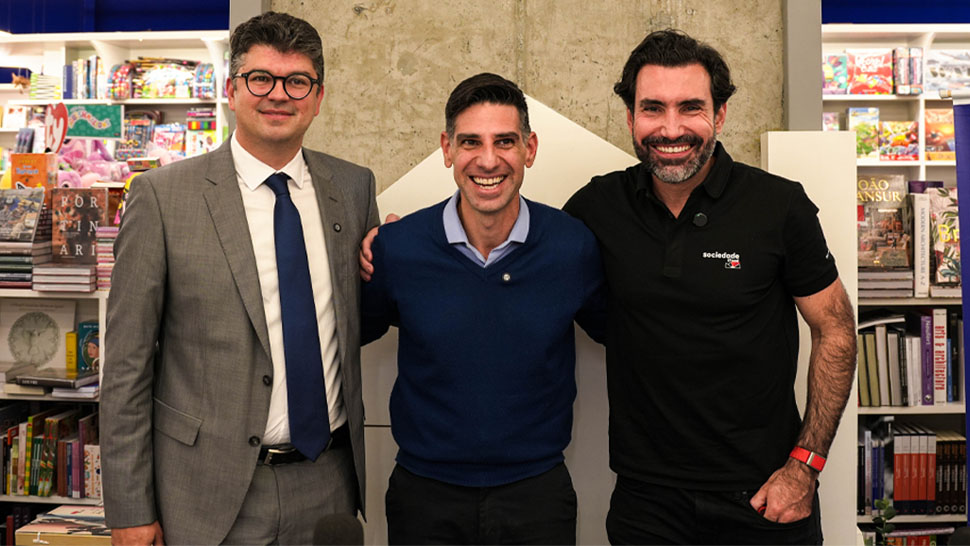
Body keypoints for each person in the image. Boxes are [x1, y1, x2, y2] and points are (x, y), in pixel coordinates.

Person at [562, 29, 857, 545]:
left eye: (690, 108)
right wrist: (407, 238)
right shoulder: (598, 207)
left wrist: (804, 466)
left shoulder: (778, 207)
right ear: (630, 118)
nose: (671, 128)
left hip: (767, 497)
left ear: (719, 115)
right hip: (646, 503)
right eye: (652, 108)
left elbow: (835, 330)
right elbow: (518, 256)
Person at [101, 11, 378, 545]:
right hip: (206, 494)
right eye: (260, 79)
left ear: (318, 97)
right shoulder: (162, 197)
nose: (279, 95)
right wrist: (130, 510)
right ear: (231, 89)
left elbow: (359, 314)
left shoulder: (353, 187)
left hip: (328, 483)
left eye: (297, 81)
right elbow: (126, 368)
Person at [360, 72, 606, 545]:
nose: (488, 160)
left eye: (505, 142)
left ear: (530, 149)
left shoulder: (572, 247)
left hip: (537, 494)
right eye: (470, 141)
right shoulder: (398, 248)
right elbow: (350, 332)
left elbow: (624, 333)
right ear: (447, 149)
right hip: (423, 496)